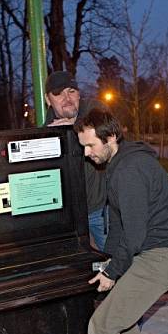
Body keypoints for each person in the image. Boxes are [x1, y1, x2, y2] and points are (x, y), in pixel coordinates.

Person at [52, 108, 168, 334]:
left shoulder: (129, 170)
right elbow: (118, 224)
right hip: (155, 251)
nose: (87, 153)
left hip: (162, 255)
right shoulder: (120, 164)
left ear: (111, 137)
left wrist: (113, 271)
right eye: (83, 147)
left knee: (102, 324)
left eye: (91, 145)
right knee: (119, 304)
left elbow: (135, 234)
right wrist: (106, 261)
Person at [43, 71, 109, 251]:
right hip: (70, 216)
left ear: (79, 94)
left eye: (71, 91)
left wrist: (70, 129)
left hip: (101, 208)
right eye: (58, 93)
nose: (67, 98)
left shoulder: (96, 110)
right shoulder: (46, 131)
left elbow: (105, 135)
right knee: (72, 265)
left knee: (116, 257)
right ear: (48, 100)